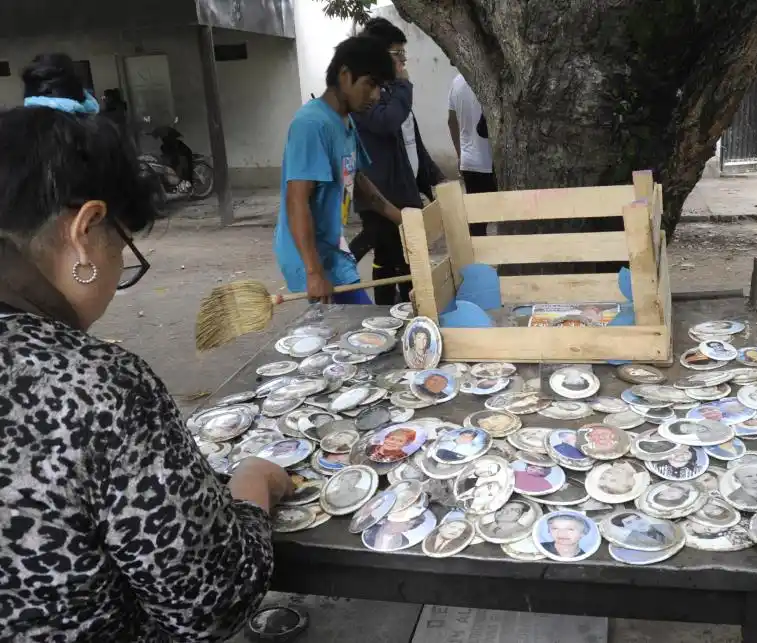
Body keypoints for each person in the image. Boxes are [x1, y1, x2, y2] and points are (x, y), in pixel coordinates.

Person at [1, 57, 292, 640]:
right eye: (124, 245)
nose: (118, 267)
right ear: (86, 229)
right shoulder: (93, 385)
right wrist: (255, 483)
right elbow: (209, 601)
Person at [275, 36, 400, 306]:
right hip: (311, 256)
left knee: (356, 330)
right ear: (345, 75)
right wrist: (314, 272)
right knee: (355, 332)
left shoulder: (345, 121)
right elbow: (297, 200)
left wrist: (404, 218)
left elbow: (358, 181)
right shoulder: (311, 124)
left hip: (334, 249)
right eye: (371, 84)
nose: (376, 96)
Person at [350, 18, 444, 304]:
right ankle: (392, 317)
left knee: (404, 263)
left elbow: (411, 144)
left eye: (404, 54)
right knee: (395, 263)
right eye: (398, 55)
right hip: (382, 200)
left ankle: (406, 317)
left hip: (405, 194)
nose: (403, 62)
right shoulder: (363, 94)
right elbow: (387, 123)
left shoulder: (392, 92)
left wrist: (435, 181)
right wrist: (404, 86)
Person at [448, 73, 495, 236]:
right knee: (502, 217)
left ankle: (477, 260)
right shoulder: (490, 78)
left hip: (469, 161)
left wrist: (460, 153)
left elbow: (451, 121)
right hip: (491, 163)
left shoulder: (456, 82)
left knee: (476, 222)